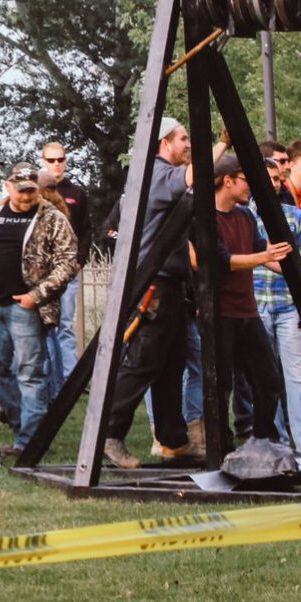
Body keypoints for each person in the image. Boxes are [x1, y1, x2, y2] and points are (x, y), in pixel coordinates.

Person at [0, 163, 79, 454]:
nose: (26, 197)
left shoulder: (52, 218)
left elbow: (68, 262)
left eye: (31, 191)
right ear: (9, 187)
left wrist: (36, 295)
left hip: (27, 306)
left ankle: (30, 440)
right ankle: (21, 423)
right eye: (22, 191)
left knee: (30, 372)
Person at [102, 119, 197, 468]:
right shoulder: (156, 173)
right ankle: (109, 435)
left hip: (168, 283)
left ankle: (173, 440)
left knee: (170, 364)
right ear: (163, 143)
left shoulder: (159, 172)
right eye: (183, 139)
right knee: (142, 363)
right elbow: (190, 178)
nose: (187, 145)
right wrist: (217, 147)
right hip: (151, 284)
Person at [201, 154, 292, 445]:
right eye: (246, 181)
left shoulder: (245, 216)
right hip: (220, 313)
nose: (251, 187)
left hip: (247, 312)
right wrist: (265, 256)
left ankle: (264, 438)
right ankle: (221, 445)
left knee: (269, 380)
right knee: (221, 384)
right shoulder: (205, 218)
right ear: (228, 181)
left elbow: (260, 252)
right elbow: (223, 261)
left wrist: (288, 267)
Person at [247, 154, 301, 453]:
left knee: (298, 376)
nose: (274, 184)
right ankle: (273, 439)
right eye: (268, 179)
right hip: (257, 304)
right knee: (264, 377)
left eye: (278, 179)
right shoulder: (244, 215)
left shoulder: (294, 216)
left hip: (289, 304)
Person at [38, 142, 89, 399]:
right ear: (44, 161)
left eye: (61, 159)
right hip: (43, 274)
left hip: (68, 271)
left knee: (65, 326)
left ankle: (70, 380)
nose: (57, 164)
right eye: (52, 160)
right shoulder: (35, 193)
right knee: (46, 327)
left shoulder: (76, 193)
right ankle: (49, 380)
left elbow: (86, 231)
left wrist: (79, 260)